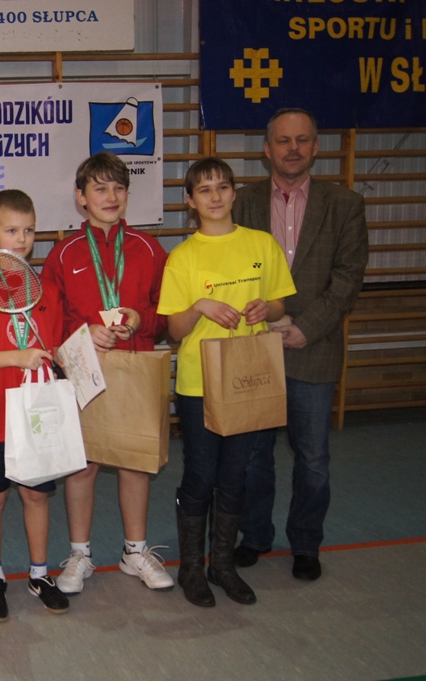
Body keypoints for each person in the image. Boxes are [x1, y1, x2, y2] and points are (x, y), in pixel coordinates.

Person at [231, 108, 369, 581]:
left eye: (302, 140)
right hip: (255, 348)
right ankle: (254, 535)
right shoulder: (242, 203)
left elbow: (348, 278)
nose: (293, 148)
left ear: (316, 147)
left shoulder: (345, 205)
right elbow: (227, 269)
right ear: (266, 149)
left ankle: (306, 543)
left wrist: (305, 326)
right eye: (283, 140)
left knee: (313, 459)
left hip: (315, 345)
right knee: (254, 457)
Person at [158, 157, 296, 607]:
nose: (215, 196)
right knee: (201, 474)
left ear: (234, 193)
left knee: (235, 475)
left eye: (222, 187)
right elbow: (174, 330)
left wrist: (265, 309)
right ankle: (191, 568)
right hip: (198, 383)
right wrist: (200, 307)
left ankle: (222, 564)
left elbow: (279, 304)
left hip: (248, 377)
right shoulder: (183, 257)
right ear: (190, 200)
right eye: (204, 189)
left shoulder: (262, 243)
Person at [40, 151, 174, 595]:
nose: (110, 196)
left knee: (135, 462)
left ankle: (135, 551)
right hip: (85, 373)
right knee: (82, 466)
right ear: (81, 197)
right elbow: (50, 322)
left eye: (119, 188)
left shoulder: (149, 249)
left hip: (134, 368)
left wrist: (139, 319)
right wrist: (84, 332)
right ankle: (80, 553)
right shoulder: (62, 254)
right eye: (100, 188)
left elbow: (166, 314)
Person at [0, 189, 70, 622]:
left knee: (36, 497)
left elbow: (57, 349)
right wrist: (15, 357)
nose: (21, 240)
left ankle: (40, 574)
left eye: (29, 230)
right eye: (11, 230)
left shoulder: (47, 290)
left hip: (36, 417)